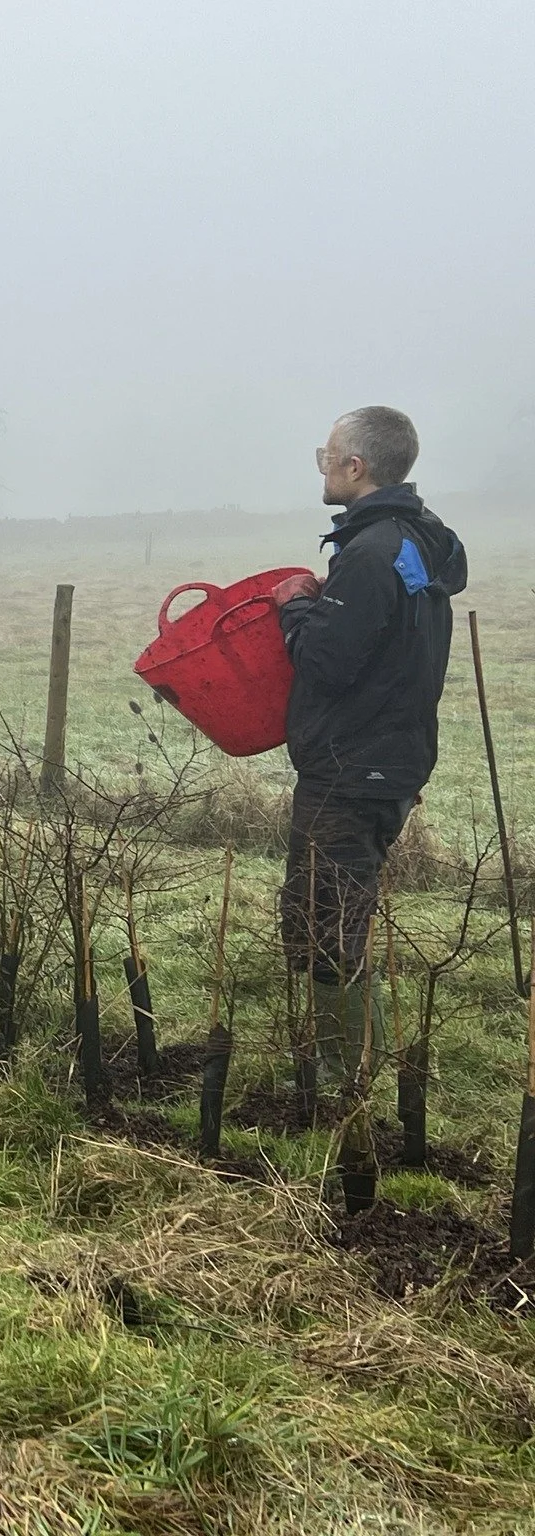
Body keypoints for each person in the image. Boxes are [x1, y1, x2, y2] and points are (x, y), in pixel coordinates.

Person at [272, 407, 465, 1080]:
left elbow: (326, 663)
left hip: (351, 767)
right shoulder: (419, 540)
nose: (322, 467)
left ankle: (342, 1071)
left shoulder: (370, 551)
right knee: (338, 907)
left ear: (355, 467)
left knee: (326, 919)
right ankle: (347, 1057)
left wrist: (295, 605)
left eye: (327, 456)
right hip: (392, 759)